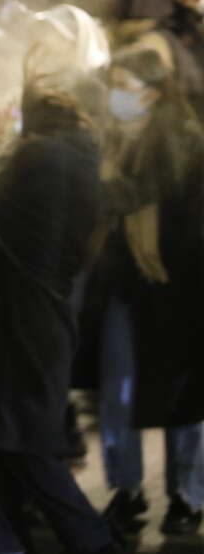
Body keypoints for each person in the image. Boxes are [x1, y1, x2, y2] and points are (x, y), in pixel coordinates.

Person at [0, 86, 119, 554]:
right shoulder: (82, 154)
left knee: (23, 447)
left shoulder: (40, 159)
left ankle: (94, 543)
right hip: (35, 313)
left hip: (21, 316)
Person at [91, 47, 204, 536]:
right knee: (118, 391)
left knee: (183, 397)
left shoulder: (183, 141)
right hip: (124, 282)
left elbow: (150, 199)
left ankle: (187, 495)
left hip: (178, 285)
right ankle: (127, 488)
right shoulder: (113, 139)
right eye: (112, 84)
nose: (116, 96)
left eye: (124, 85)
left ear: (153, 92)